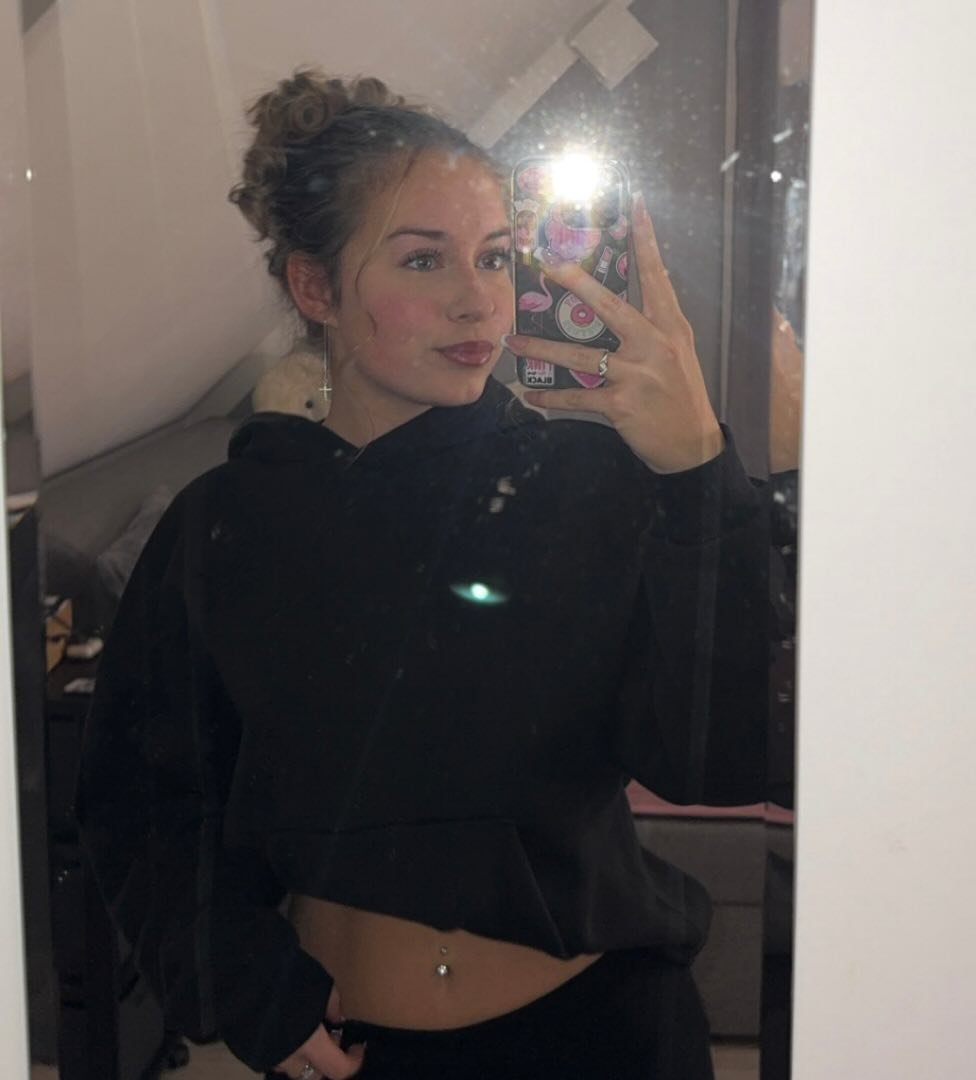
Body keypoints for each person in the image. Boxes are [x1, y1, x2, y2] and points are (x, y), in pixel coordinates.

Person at [74, 69, 768, 1080]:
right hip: (363, 1055)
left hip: (605, 1035)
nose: (477, 298)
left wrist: (697, 472)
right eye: (423, 260)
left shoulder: (582, 481)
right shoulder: (228, 527)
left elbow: (721, 761)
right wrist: (246, 988)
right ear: (316, 289)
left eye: (495, 257)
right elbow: (141, 801)